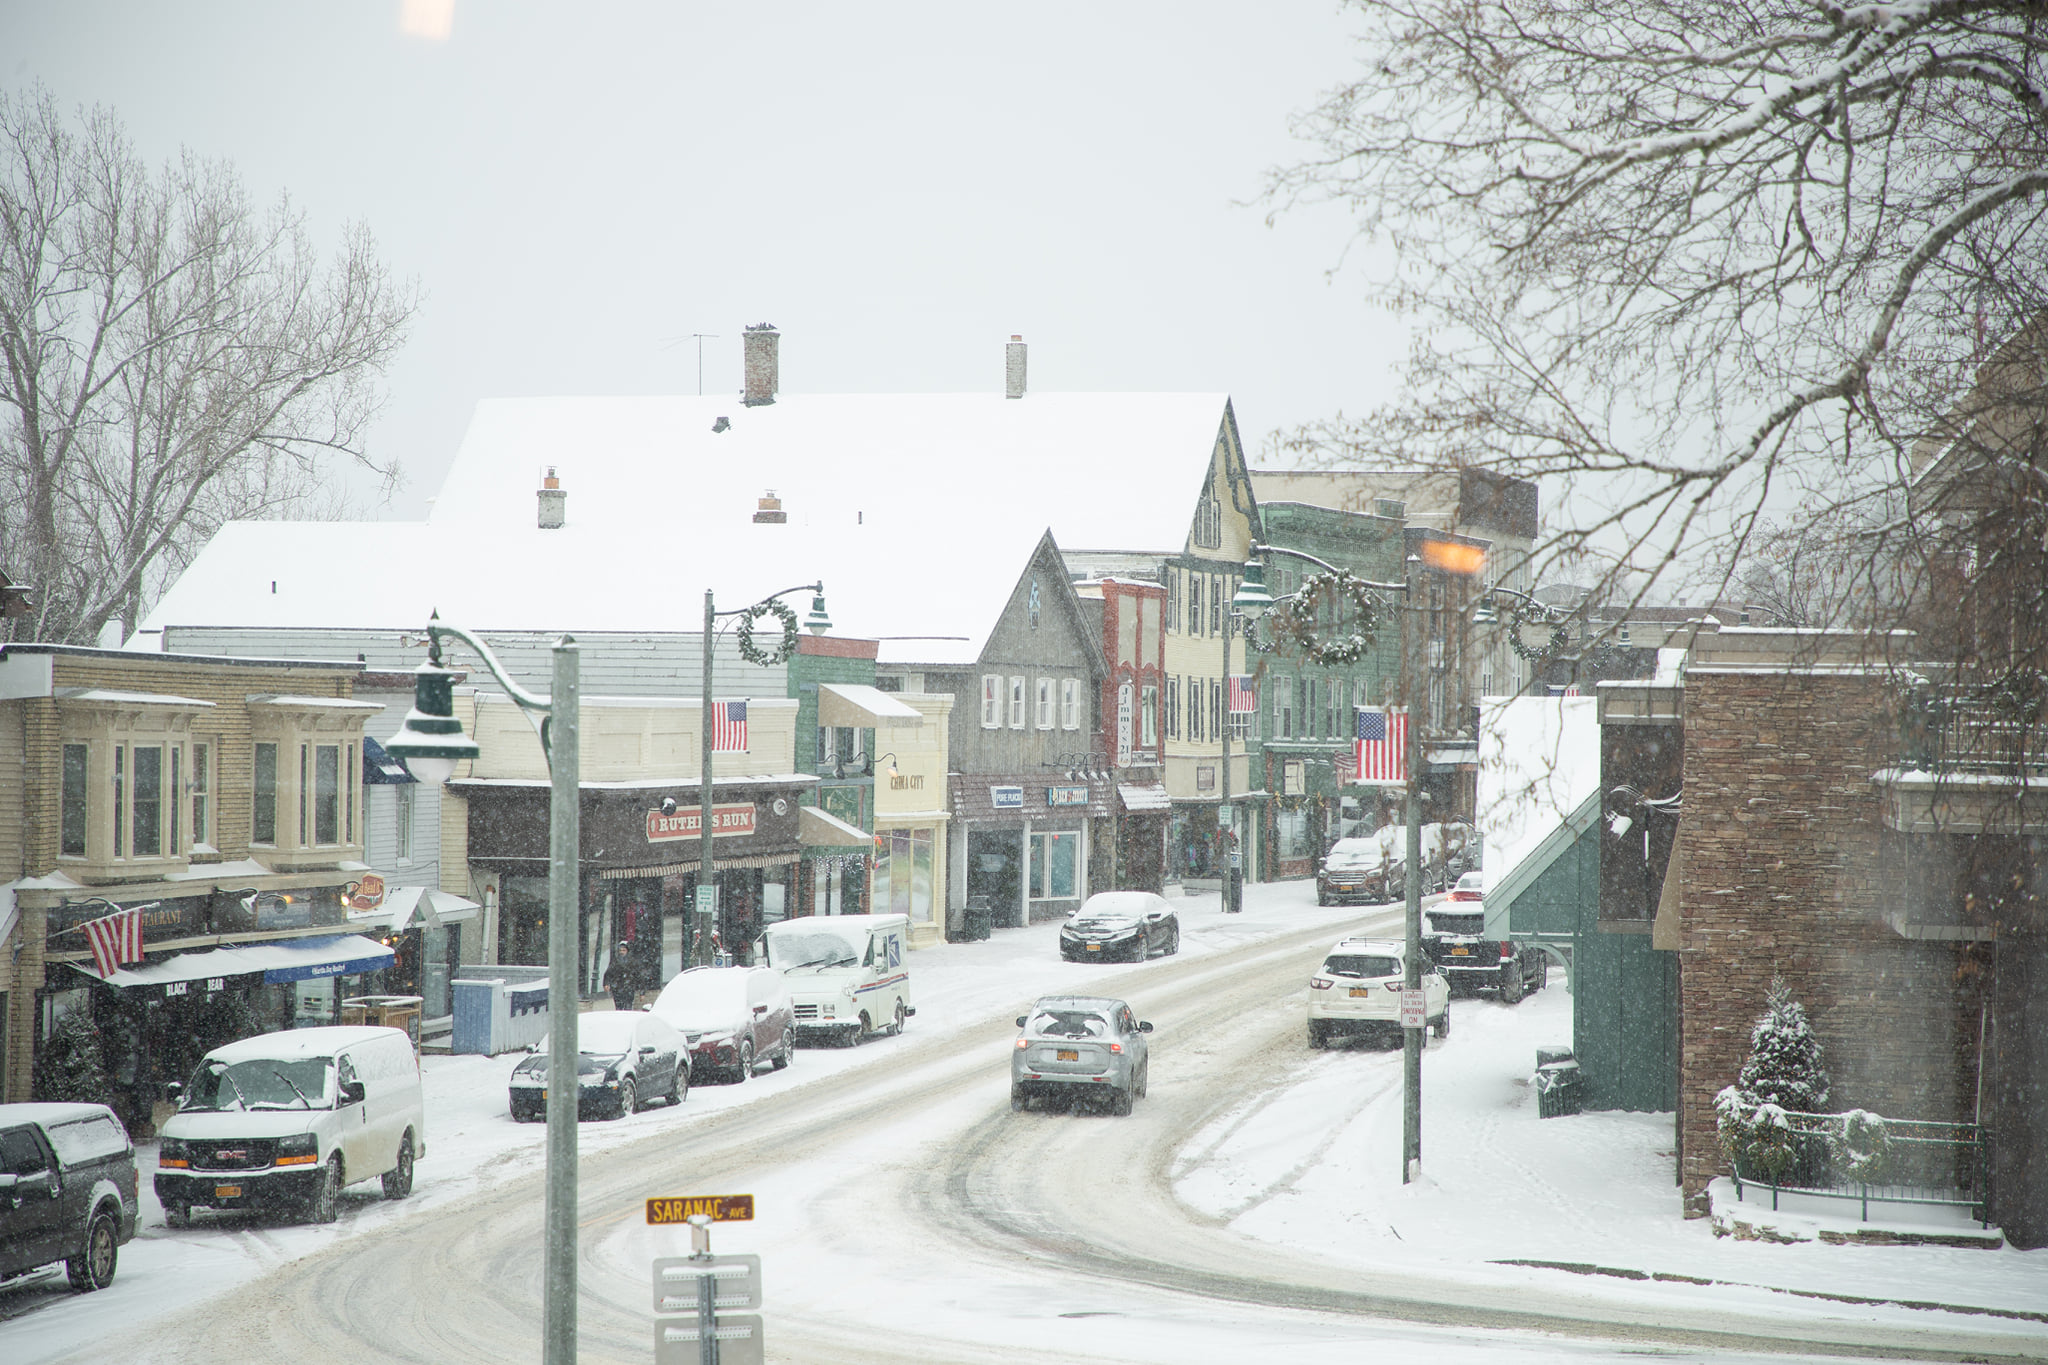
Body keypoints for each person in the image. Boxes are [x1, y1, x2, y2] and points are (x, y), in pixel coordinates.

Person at [603, 942, 637, 1011]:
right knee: (619, 1007)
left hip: (629, 988)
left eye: (624, 950)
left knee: (628, 1006)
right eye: (620, 950)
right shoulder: (615, 961)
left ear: (627, 951)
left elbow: (638, 975)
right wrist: (606, 983)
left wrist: (642, 992)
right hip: (617, 988)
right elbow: (608, 972)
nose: (622, 952)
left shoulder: (632, 961)